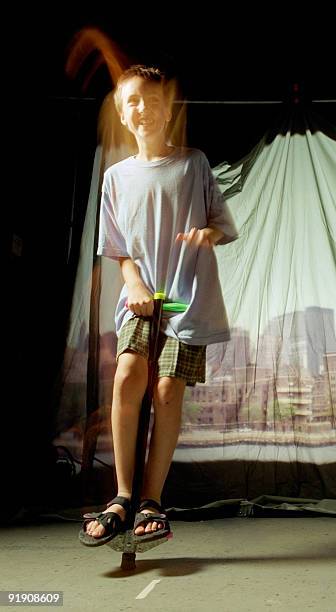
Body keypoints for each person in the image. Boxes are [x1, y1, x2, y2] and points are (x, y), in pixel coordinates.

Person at [79, 65, 239, 546]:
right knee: (130, 374)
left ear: (168, 110)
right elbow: (119, 248)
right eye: (133, 101)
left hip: (187, 300)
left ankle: (152, 499)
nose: (143, 108)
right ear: (123, 115)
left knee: (168, 389)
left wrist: (205, 235)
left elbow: (222, 224)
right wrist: (134, 285)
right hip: (141, 299)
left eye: (152, 100)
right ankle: (122, 496)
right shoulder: (115, 176)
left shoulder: (194, 164)